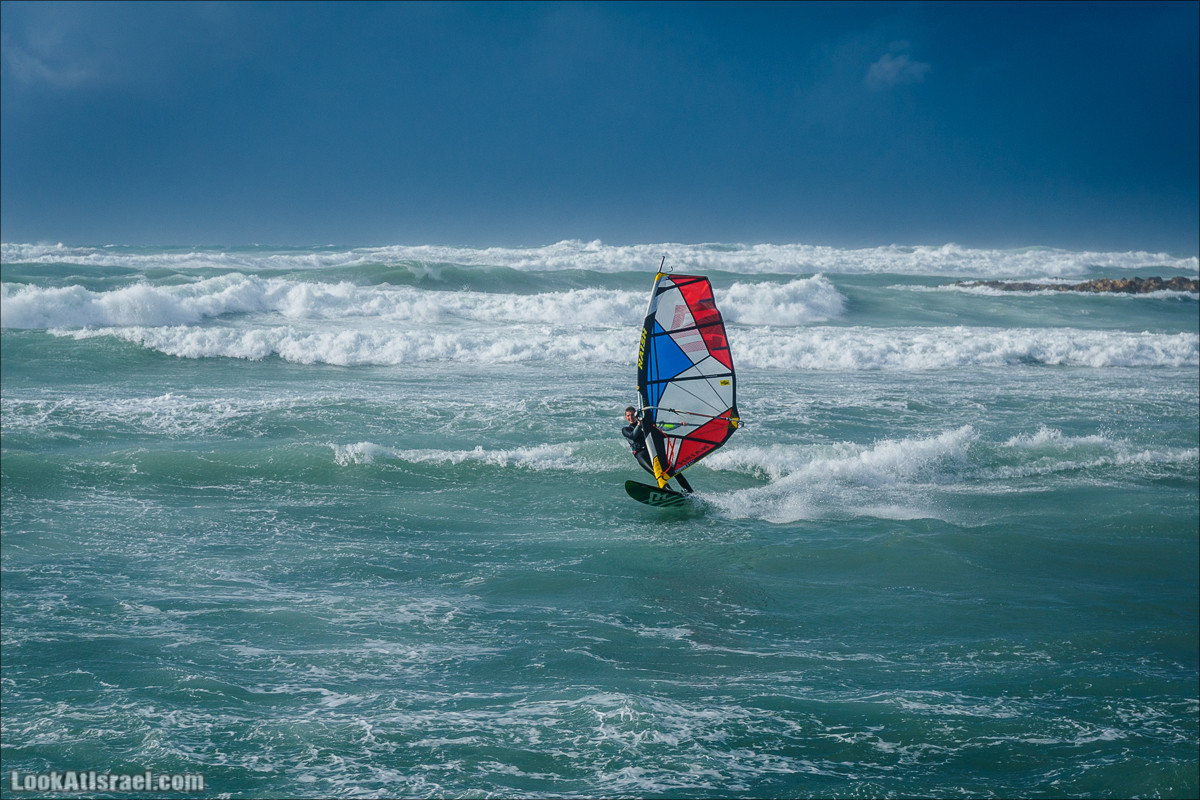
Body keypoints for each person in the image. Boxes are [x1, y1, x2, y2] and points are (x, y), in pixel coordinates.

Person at [622, 406, 693, 493]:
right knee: (656, 473)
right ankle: (668, 491)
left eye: (632, 415)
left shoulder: (646, 425)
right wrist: (639, 424)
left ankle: (690, 491)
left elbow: (664, 426)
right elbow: (632, 436)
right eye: (628, 416)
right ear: (625, 417)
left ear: (636, 415)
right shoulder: (625, 429)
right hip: (641, 455)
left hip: (652, 452)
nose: (630, 417)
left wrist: (679, 424)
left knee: (673, 471)